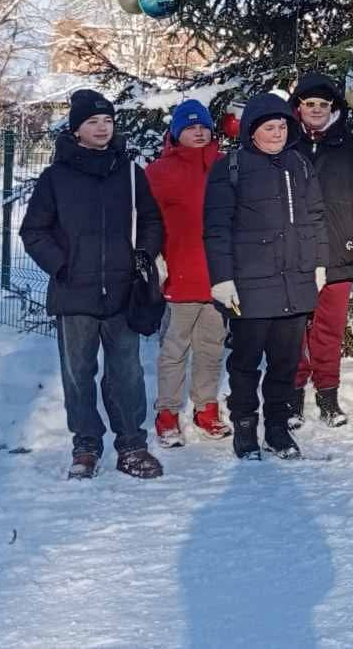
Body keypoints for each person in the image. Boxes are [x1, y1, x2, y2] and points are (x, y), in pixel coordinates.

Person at [19, 89, 165, 480]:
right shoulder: (55, 178)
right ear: (76, 129)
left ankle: (131, 446)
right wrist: (61, 266)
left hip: (123, 291)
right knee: (78, 375)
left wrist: (143, 254)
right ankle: (85, 445)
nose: (102, 128)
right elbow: (34, 231)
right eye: (92, 122)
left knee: (127, 373)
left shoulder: (130, 174)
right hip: (74, 294)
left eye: (107, 121)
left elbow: (151, 221)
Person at [202, 93, 327, 461]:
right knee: (245, 363)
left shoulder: (300, 164)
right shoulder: (230, 167)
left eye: (282, 127)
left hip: (295, 282)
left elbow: (316, 218)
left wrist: (319, 263)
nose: (277, 133)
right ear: (251, 131)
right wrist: (222, 278)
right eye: (269, 127)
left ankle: (277, 428)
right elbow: (217, 228)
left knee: (285, 364)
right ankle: (244, 428)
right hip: (249, 285)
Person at [288, 72, 353, 429]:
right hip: (294, 253)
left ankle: (328, 396)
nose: (316, 110)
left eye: (323, 104)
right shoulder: (285, 143)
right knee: (292, 330)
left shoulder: (352, 147)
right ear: (298, 107)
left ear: (333, 108)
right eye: (310, 104)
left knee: (329, 329)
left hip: (340, 249)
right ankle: (292, 396)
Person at [145, 99, 230, 447]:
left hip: (218, 278)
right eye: (190, 127)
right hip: (179, 276)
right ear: (176, 132)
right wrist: (155, 262)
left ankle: (206, 407)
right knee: (174, 349)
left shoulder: (225, 166)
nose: (198, 132)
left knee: (211, 347)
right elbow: (146, 222)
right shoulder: (159, 172)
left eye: (203, 127)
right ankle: (167, 412)